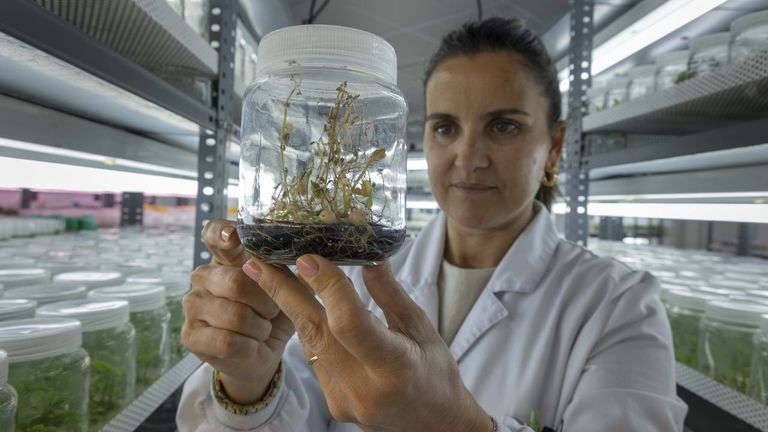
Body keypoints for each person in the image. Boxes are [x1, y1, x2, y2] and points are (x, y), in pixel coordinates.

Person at [177, 17, 687, 431]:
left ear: (554, 146)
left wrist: (456, 425)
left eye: (504, 126)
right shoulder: (348, 266)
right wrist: (250, 380)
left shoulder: (620, 305)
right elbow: (298, 413)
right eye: (446, 127)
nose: (468, 158)